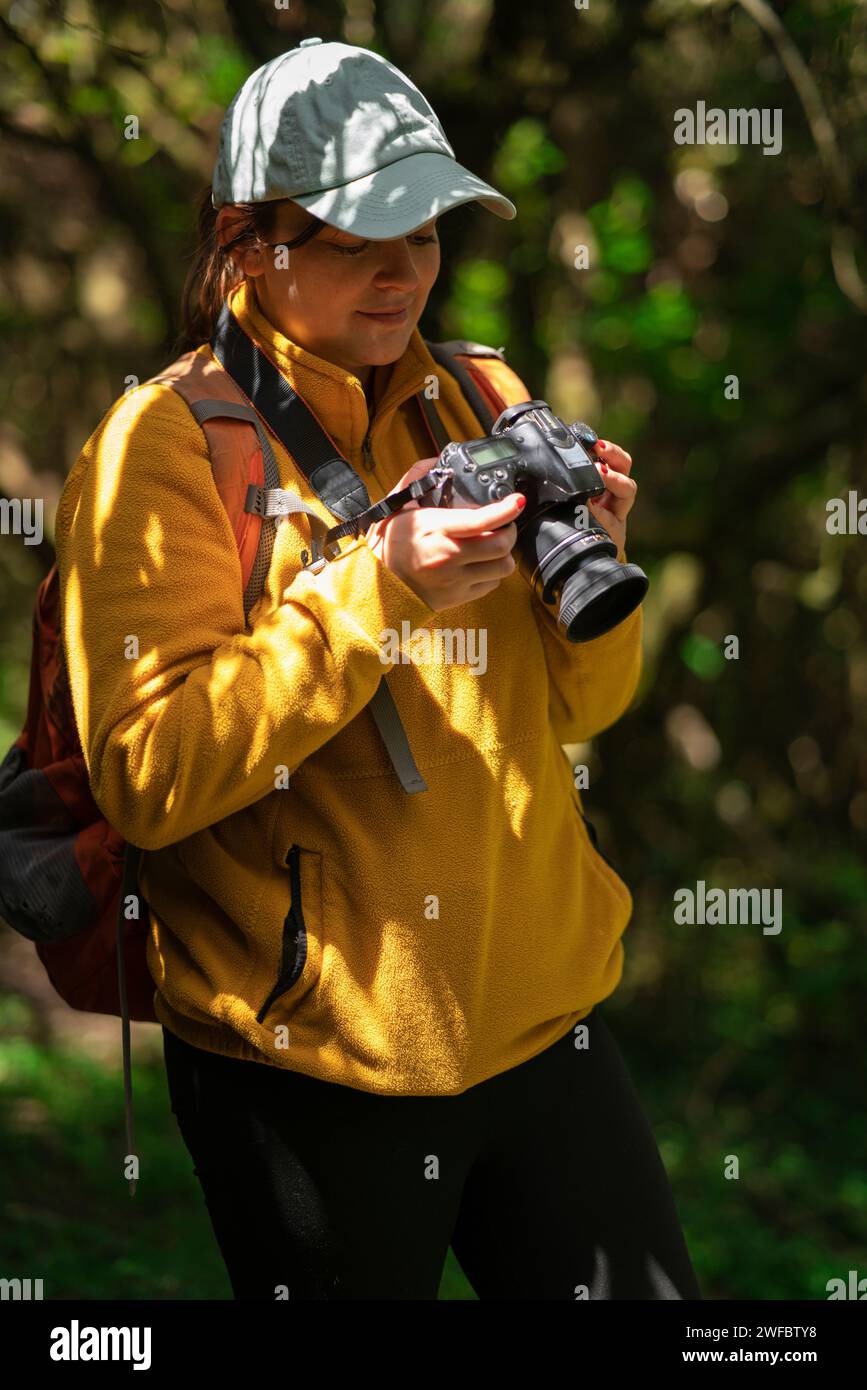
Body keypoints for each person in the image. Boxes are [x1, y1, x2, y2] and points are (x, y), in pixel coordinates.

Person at [55, 38, 701, 1300]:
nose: (406, 268)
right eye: (358, 237)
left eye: (428, 227)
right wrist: (379, 591)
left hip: (543, 1014)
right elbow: (145, 774)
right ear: (251, 241)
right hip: (314, 1062)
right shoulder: (162, 447)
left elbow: (587, 708)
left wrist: (596, 586)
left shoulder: (485, 397)